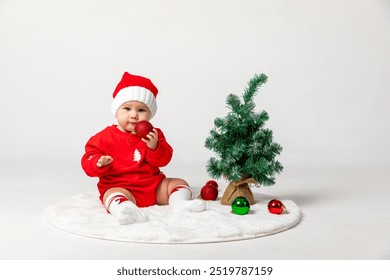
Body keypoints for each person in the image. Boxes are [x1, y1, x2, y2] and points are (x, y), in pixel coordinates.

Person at [81, 72, 205, 225]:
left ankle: (179, 203)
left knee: (178, 183)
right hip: (121, 187)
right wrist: (98, 162)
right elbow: (88, 159)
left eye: (141, 110)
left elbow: (165, 159)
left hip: (153, 187)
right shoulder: (103, 137)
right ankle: (124, 209)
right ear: (116, 110)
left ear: (150, 114)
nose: (134, 115)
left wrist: (154, 147)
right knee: (111, 195)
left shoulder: (153, 134)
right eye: (127, 108)